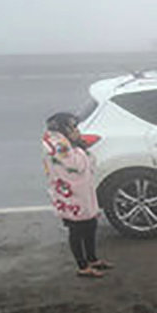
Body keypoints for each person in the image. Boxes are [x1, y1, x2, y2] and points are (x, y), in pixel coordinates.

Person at [42, 111, 110, 278]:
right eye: (73, 127)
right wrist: (80, 147)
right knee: (78, 229)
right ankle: (82, 266)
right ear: (64, 128)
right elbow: (77, 165)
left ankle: (92, 259)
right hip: (71, 194)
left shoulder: (61, 141)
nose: (77, 131)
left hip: (80, 191)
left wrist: (79, 146)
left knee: (90, 224)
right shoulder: (60, 145)